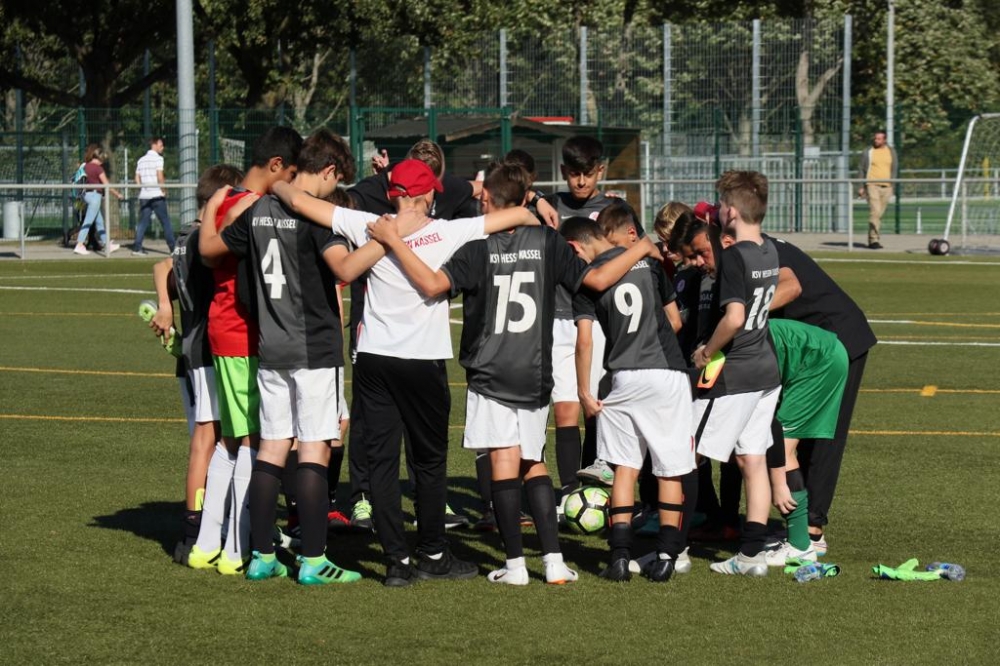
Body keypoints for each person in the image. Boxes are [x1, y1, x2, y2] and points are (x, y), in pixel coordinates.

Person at [370, 163, 662, 585]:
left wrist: (395, 242)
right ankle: (555, 562)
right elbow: (597, 280)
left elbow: (432, 286)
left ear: (487, 200)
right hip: (534, 370)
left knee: (504, 463)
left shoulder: (476, 245)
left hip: (491, 370)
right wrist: (642, 247)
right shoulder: (548, 242)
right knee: (534, 464)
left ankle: (515, 566)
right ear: (525, 199)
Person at [272, 158, 542, 587]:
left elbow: (300, 201)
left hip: (375, 358)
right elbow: (519, 214)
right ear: (429, 194)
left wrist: (279, 184)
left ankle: (396, 561)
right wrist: (538, 206)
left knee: (381, 462)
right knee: (429, 461)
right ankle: (432, 552)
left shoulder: (367, 225)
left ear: (393, 192)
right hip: (423, 360)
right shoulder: (450, 230)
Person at [199, 129, 407, 584]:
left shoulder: (256, 211)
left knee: (273, 449)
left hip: (270, 346)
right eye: (336, 182)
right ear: (329, 170)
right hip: (313, 345)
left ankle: (262, 556)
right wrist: (388, 239)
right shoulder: (317, 218)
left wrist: (213, 211)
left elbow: (212, 251)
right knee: (313, 447)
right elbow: (346, 269)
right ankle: (313, 559)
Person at [186, 126, 303, 575]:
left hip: (228, 333)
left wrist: (215, 206)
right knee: (253, 442)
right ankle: (236, 548)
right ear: (276, 167)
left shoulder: (231, 200)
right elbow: (211, 252)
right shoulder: (254, 208)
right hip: (243, 335)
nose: (291, 184)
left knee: (230, 442)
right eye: (290, 175)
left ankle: (206, 543)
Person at [561, 214, 695, 583]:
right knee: (669, 467)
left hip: (621, 378)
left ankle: (619, 557)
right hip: (665, 372)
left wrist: (585, 392)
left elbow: (584, 341)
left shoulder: (586, 284)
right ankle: (667, 556)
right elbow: (676, 322)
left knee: (625, 468)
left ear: (575, 247)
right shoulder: (650, 264)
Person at [149, 164, 243, 561]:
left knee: (210, 438)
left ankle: (199, 528)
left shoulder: (186, 234)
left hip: (193, 350)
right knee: (213, 438)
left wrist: (165, 305)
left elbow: (162, 267)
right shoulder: (208, 240)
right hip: (210, 349)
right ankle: (199, 531)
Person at [691, 170, 780, 577]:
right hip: (766, 370)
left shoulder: (735, 257)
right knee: (752, 459)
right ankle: (751, 555)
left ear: (729, 210)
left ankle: (672, 547)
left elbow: (735, 316)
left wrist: (706, 349)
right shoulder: (768, 250)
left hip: (738, 373)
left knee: (684, 448)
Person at [766, 234, 877, 555]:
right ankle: (802, 528)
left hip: (839, 340)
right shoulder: (750, 247)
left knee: (825, 436)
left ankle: (812, 531)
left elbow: (792, 286)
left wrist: (747, 315)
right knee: (795, 437)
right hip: (810, 349)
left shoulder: (761, 250)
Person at [538, 135, 615, 500]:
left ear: (600, 170)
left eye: (588, 174)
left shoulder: (614, 209)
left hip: (599, 321)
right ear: (563, 172)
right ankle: (570, 495)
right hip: (558, 320)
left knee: (595, 409)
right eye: (573, 174)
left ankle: (594, 489)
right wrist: (536, 200)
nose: (581, 182)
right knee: (565, 410)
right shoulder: (549, 207)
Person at [73, 143, 124, 256]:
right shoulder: (98, 168)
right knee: (88, 221)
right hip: (95, 196)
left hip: (86, 195)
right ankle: (80, 244)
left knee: (99, 222)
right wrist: (117, 194)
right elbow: (106, 184)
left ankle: (107, 244)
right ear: (99, 158)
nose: (102, 162)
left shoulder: (84, 166)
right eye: (102, 160)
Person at [133, 137, 176, 255]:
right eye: (161, 145)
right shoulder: (158, 159)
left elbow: (136, 178)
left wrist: (142, 187)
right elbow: (159, 175)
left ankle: (137, 247)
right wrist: (163, 189)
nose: (163, 147)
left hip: (144, 195)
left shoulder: (141, 160)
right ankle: (173, 248)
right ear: (155, 144)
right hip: (156, 194)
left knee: (143, 222)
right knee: (165, 222)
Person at [857, 130, 898, 249]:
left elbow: (894, 168)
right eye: (875, 138)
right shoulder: (868, 152)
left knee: (879, 214)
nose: (876, 141)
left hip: (887, 186)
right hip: (872, 185)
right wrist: (860, 186)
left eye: (879, 139)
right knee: (875, 211)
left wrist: (892, 184)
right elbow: (861, 169)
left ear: (884, 140)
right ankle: (873, 240)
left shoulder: (891, 151)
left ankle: (874, 236)